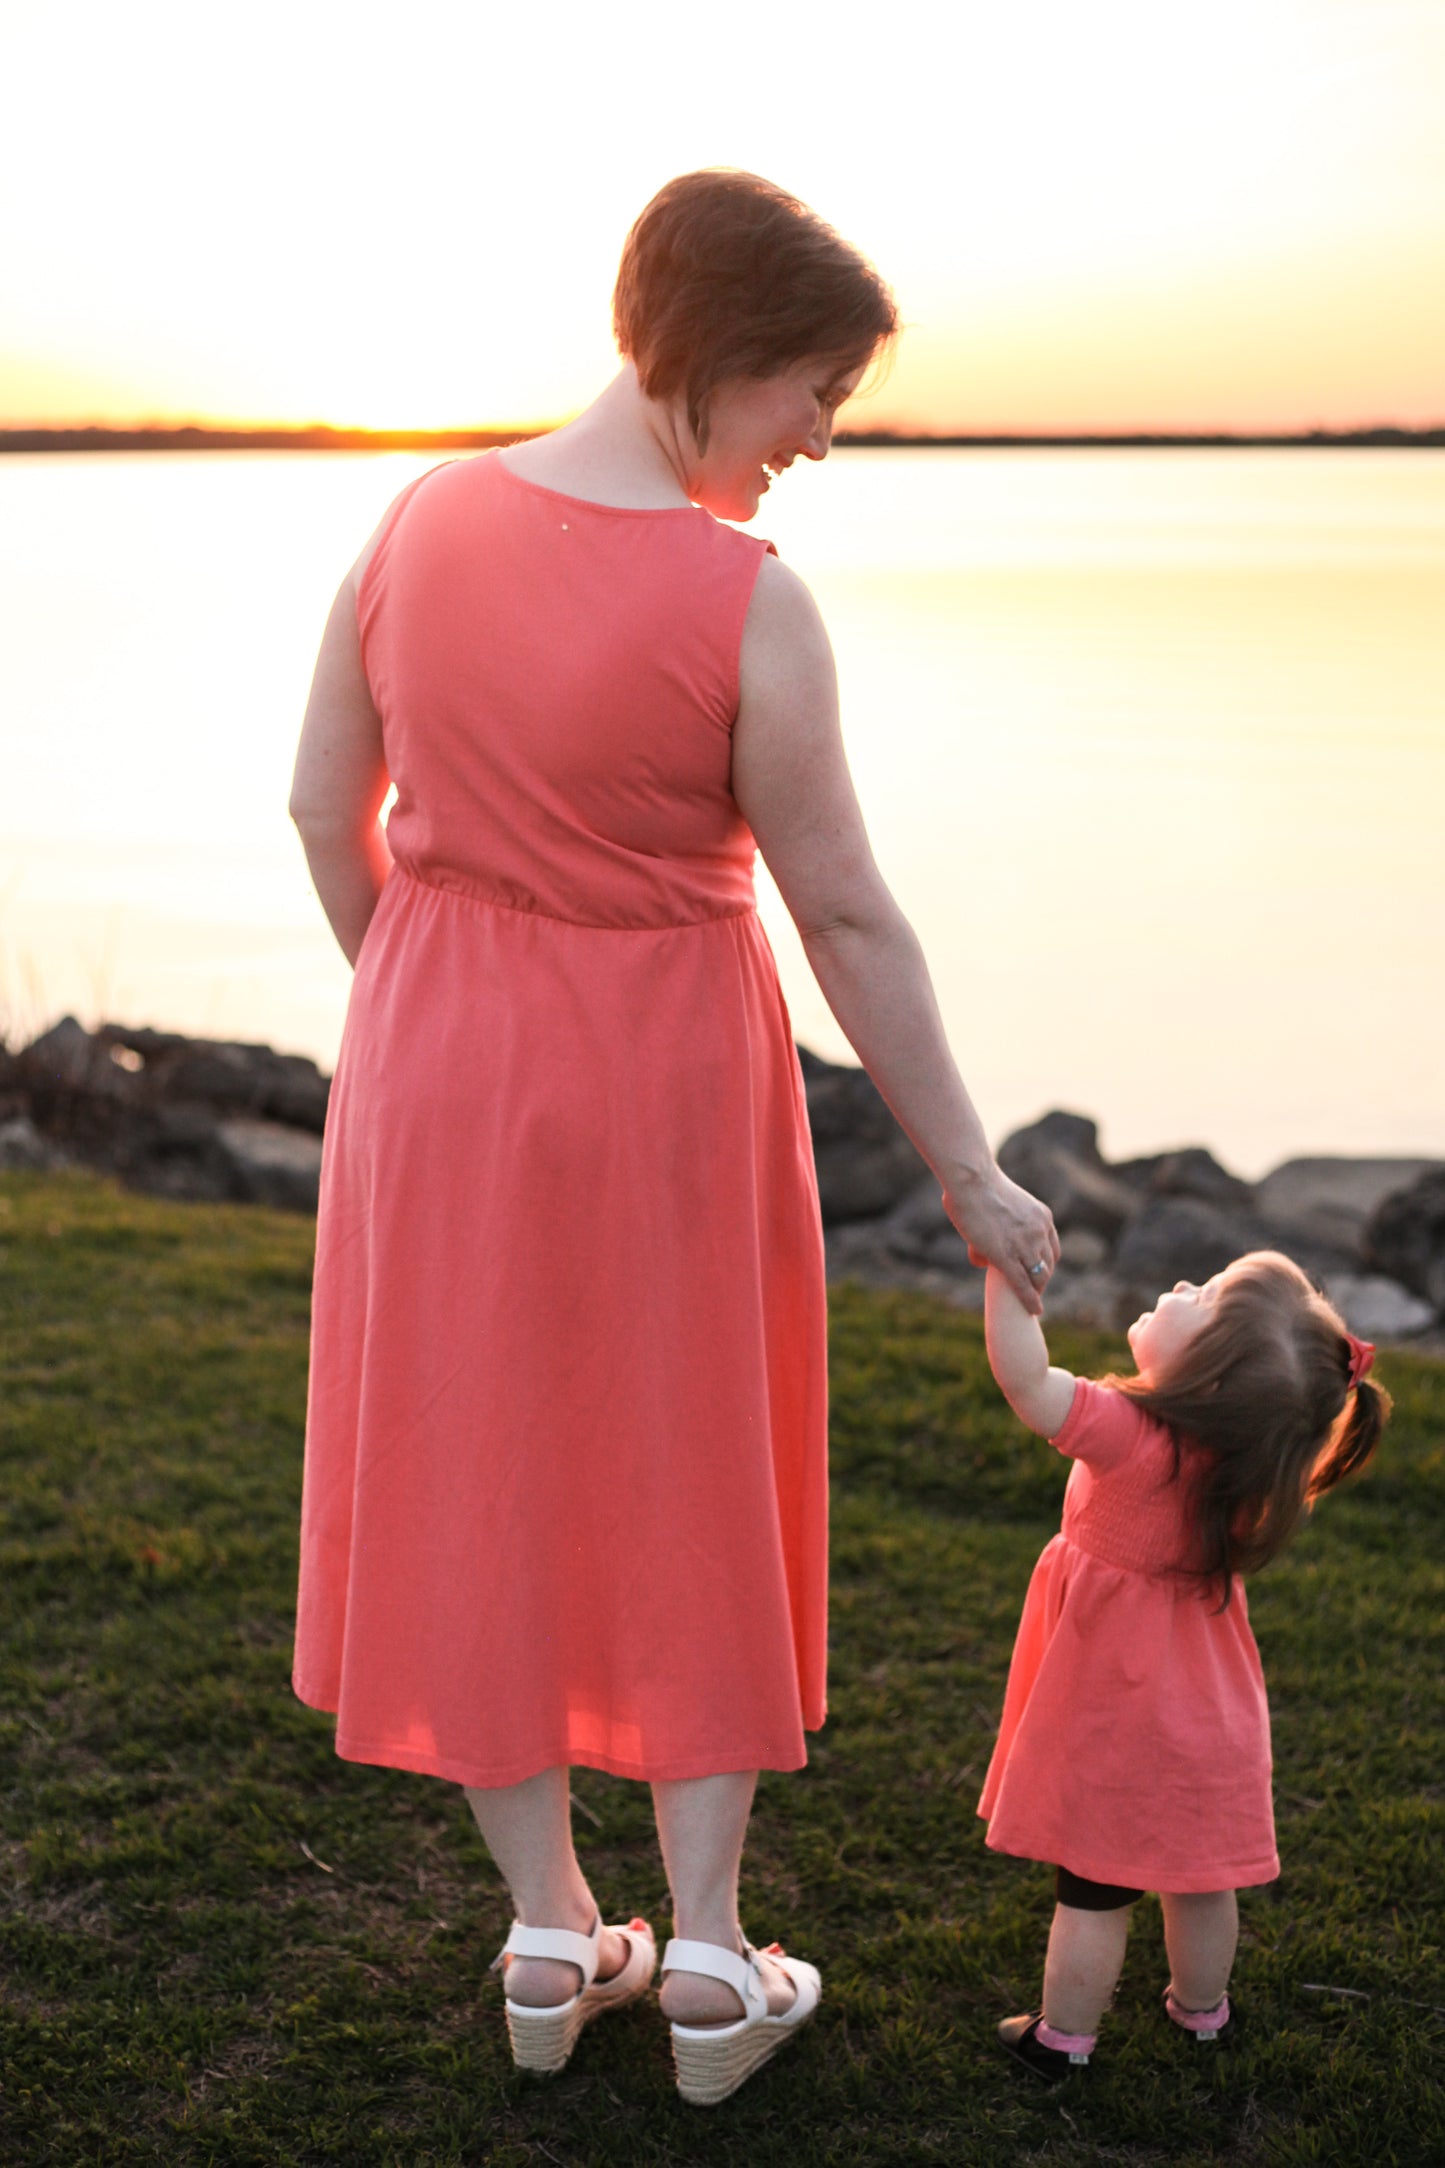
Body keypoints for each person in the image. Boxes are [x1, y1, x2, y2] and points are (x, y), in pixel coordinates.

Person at [288, 167, 1058, 2105]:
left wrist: (420, 1014)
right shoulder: (746, 608)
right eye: (812, 390)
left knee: (479, 1464)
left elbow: (322, 807)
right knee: (690, 1459)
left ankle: (551, 1925)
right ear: (710, 353)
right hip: (663, 1091)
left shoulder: (410, 521)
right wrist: (966, 1164)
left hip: (438, 1077)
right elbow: (848, 915)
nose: (816, 438)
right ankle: (706, 1956)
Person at [977, 1249, 1389, 2082]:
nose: (1175, 1285)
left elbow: (1025, 1380)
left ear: (1206, 1378)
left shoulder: (1128, 1435)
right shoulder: (1251, 1472)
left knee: (1093, 1885)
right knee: (1199, 1876)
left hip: (1113, 1707)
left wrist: (1002, 1273)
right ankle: (1201, 2012)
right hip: (1207, 1711)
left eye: (1197, 1296)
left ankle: (1063, 2039)